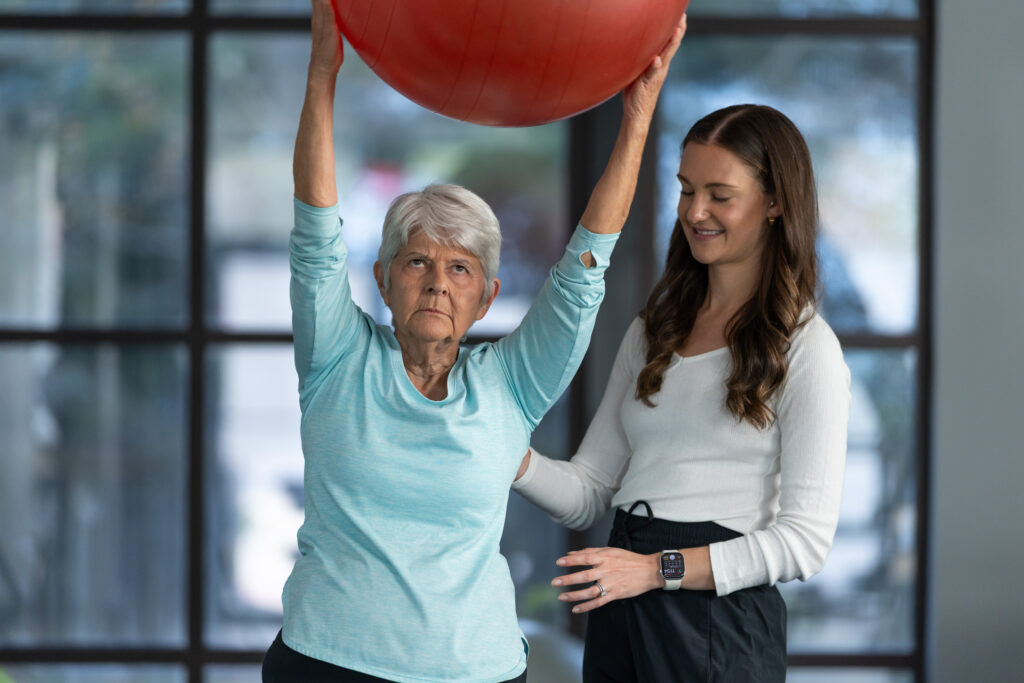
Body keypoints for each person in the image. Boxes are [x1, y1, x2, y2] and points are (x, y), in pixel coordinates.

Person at [261, 1, 687, 682]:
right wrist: (322, 75)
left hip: (475, 670)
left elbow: (585, 269)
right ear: (382, 280)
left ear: (486, 296)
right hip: (326, 662)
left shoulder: (509, 383)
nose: (436, 282)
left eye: (460, 268)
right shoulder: (337, 357)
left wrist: (637, 118)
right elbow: (314, 233)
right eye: (416, 262)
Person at [512, 104, 852, 682]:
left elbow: (804, 542)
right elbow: (590, 490)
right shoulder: (654, 330)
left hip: (717, 619)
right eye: (687, 189)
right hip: (621, 594)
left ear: (774, 203)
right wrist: (500, 455)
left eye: (721, 194)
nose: (696, 212)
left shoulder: (807, 347)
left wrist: (655, 570)